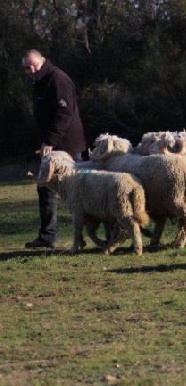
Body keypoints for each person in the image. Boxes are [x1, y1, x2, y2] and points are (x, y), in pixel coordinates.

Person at [22, 49, 87, 249]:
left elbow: (64, 114)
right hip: (50, 147)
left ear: (42, 61)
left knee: (83, 189)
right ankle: (48, 236)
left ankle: (89, 234)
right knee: (45, 188)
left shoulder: (58, 79)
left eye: (33, 65)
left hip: (67, 145)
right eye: (26, 68)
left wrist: (49, 141)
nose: (31, 70)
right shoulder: (40, 82)